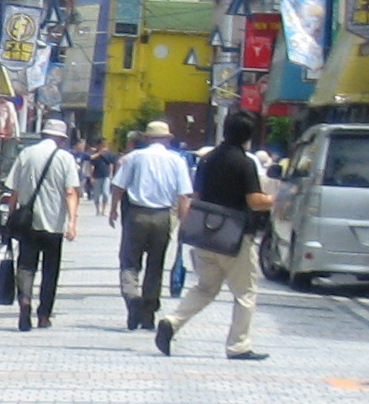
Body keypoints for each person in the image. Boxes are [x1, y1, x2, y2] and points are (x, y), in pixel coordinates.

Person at [156, 108, 270, 361]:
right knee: (245, 293)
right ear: (248, 136)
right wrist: (276, 200)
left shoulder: (208, 160)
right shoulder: (245, 163)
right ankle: (238, 345)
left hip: (206, 235)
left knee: (205, 288)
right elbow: (254, 201)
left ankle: (172, 321)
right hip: (236, 239)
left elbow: (196, 197)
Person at [108, 119, 193, 331]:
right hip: (162, 216)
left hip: (136, 215)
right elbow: (184, 196)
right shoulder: (177, 160)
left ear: (147, 138)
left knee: (129, 262)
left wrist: (113, 209)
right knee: (155, 266)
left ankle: (132, 298)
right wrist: (184, 223)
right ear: (168, 139)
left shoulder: (135, 157)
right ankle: (148, 313)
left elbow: (118, 186)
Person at [3, 118, 80, 330]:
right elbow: (70, 191)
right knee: (50, 270)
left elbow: (14, 191)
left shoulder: (26, 154)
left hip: (28, 223)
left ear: (43, 135)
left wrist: (11, 217)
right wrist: (72, 223)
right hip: (54, 224)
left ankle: (25, 300)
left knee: (26, 266)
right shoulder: (65, 158)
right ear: (61, 139)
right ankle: (44, 315)